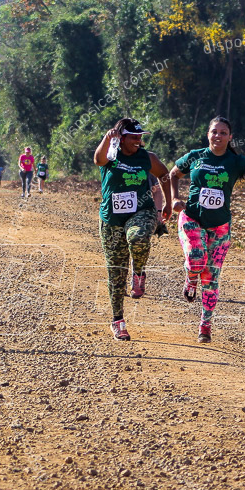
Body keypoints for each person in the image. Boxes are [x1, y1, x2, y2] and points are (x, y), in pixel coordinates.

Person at [168, 117, 245, 343]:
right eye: (214, 132)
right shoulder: (196, 156)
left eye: (223, 132)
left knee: (211, 277)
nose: (218, 136)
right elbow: (173, 174)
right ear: (208, 134)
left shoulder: (234, 161)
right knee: (196, 260)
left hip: (220, 226)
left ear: (230, 137)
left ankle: (204, 326)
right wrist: (174, 199)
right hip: (192, 218)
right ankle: (190, 279)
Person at [93, 119, 171, 341]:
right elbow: (97, 159)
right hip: (111, 220)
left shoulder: (147, 158)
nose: (139, 140)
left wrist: (166, 203)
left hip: (142, 212)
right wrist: (108, 138)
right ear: (122, 137)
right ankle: (118, 321)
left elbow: (164, 174)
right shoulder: (111, 154)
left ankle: (138, 273)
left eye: (140, 137)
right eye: (134, 137)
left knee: (137, 237)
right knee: (115, 273)